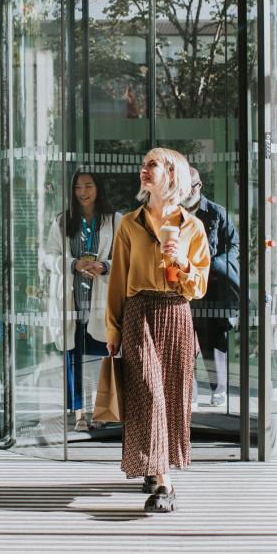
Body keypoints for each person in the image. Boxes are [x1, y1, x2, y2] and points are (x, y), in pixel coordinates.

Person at [105, 147, 210, 513]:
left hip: (176, 313)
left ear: (172, 173)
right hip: (139, 313)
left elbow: (199, 287)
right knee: (149, 393)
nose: (143, 170)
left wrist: (182, 263)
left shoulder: (192, 227)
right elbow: (117, 279)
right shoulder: (129, 224)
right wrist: (113, 327)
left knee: (172, 396)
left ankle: (156, 466)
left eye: (152, 165)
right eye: (144, 164)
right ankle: (165, 485)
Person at [42, 170, 121, 432]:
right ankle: (79, 413)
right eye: (77, 187)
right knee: (74, 356)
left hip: (101, 299)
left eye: (88, 186)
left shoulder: (114, 220)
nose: (82, 192)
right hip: (72, 299)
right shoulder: (64, 220)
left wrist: (104, 266)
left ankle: (101, 410)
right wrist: (74, 264)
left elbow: (125, 257)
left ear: (98, 188)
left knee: (102, 355)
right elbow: (48, 257)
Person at [184, 167, 240, 408]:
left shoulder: (217, 213)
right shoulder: (173, 213)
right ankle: (193, 393)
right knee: (187, 340)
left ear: (199, 186)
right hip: (185, 284)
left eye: (190, 187)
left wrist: (211, 263)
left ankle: (219, 389)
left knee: (216, 341)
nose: (186, 192)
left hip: (214, 285)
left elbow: (235, 246)